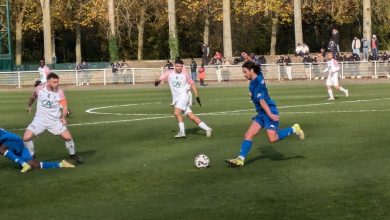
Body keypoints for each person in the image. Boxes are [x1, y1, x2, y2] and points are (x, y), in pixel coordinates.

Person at [225, 61, 305, 167]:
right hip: (262, 112)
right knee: (248, 135)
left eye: (245, 72)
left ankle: (294, 129)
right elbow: (255, 66)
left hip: (269, 110)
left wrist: (270, 115)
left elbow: (262, 101)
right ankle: (240, 159)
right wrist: (247, 58)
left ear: (251, 71)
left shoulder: (257, 84)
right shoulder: (258, 75)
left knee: (272, 138)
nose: (244, 74)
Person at [24, 73, 83, 164]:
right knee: (26, 138)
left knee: (68, 138)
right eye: (54, 82)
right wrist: (28, 106)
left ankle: (73, 154)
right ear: (48, 82)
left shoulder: (60, 92)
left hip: (54, 121)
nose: (57, 84)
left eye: (57, 82)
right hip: (39, 120)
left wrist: (63, 117)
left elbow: (65, 107)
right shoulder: (39, 89)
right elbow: (33, 97)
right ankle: (32, 156)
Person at [155, 59, 212, 138]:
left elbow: (192, 84)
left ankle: (182, 132)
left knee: (176, 113)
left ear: (183, 67)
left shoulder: (185, 74)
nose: (179, 68)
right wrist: (157, 81)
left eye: (181, 66)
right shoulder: (169, 73)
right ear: (175, 66)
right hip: (177, 99)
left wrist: (196, 95)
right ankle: (207, 129)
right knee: (191, 116)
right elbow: (160, 79)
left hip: (184, 97)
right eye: (178, 66)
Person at [0, 128, 75, 173]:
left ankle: (24, 164)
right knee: (34, 164)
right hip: (16, 143)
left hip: (12, 140)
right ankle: (61, 164)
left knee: (1, 149)